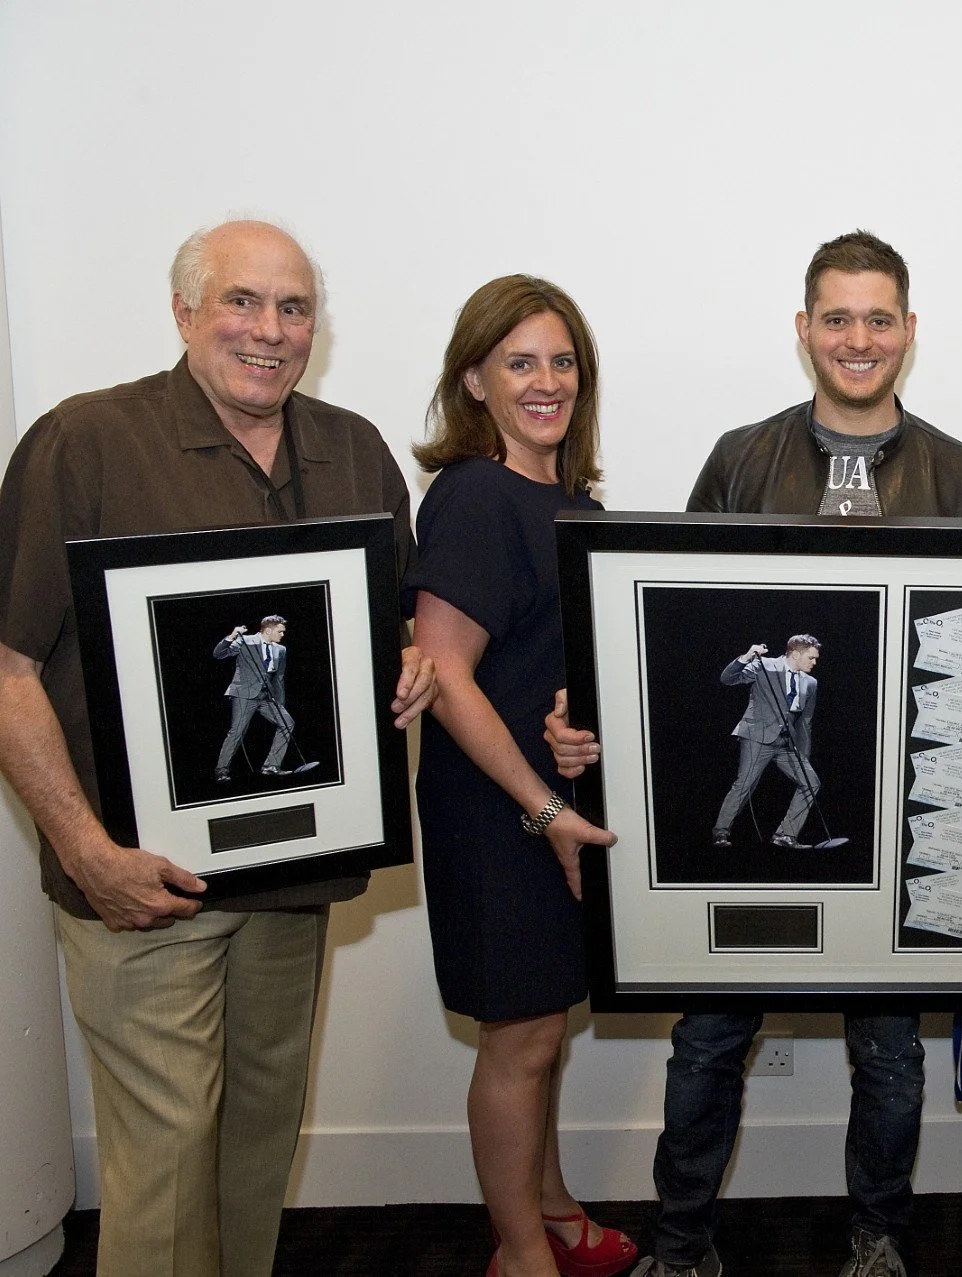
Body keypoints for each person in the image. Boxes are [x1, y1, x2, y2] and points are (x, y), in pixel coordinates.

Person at [548, 229, 962, 1277]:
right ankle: (681, 1245)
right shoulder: (738, 455)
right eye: (839, 318)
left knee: (888, 1052)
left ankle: (881, 1238)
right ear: (804, 328)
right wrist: (597, 719)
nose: (860, 339)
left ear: (910, 330)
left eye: (880, 318)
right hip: (736, 860)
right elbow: (670, 633)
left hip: (897, 824)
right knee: (709, 1041)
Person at [0, 219, 435, 1276]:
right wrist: (88, 852)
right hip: (140, 887)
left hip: (293, 875)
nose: (270, 330)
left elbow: (391, 619)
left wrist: (411, 656)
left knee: (254, 1144)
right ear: (186, 311)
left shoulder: (354, 448)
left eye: (294, 308)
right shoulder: (86, 442)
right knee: (163, 1161)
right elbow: (8, 669)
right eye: (242, 300)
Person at [408, 275, 631, 1277]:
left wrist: (576, 749)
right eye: (519, 361)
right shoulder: (473, 494)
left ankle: (552, 1211)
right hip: (495, 811)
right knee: (520, 1041)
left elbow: (547, 666)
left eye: (562, 360)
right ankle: (520, 1254)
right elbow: (446, 675)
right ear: (474, 378)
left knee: (544, 1028)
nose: (546, 381)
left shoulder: (572, 502)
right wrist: (541, 803)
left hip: (550, 805)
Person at [713, 635, 824, 848]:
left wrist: (804, 756)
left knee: (811, 782)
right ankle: (721, 832)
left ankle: (786, 835)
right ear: (796, 653)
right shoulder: (764, 665)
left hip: (786, 742)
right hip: (758, 737)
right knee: (744, 785)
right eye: (811, 658)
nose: (814, 662)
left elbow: (805, 723)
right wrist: (747, 656)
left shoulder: (810, 683)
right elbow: (728, 679)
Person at [213, 614, 296, 779]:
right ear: (268, 630)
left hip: (266, 697)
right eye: (280, 632)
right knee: (237, 731)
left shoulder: (281, 650)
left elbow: (279, 679)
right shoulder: (245, 641)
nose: (282, 635)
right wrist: (232, 636)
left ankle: (271, 765)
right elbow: (219, 654)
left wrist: (280, 703)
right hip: (245, 694)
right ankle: (221, 770)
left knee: (287, 723)